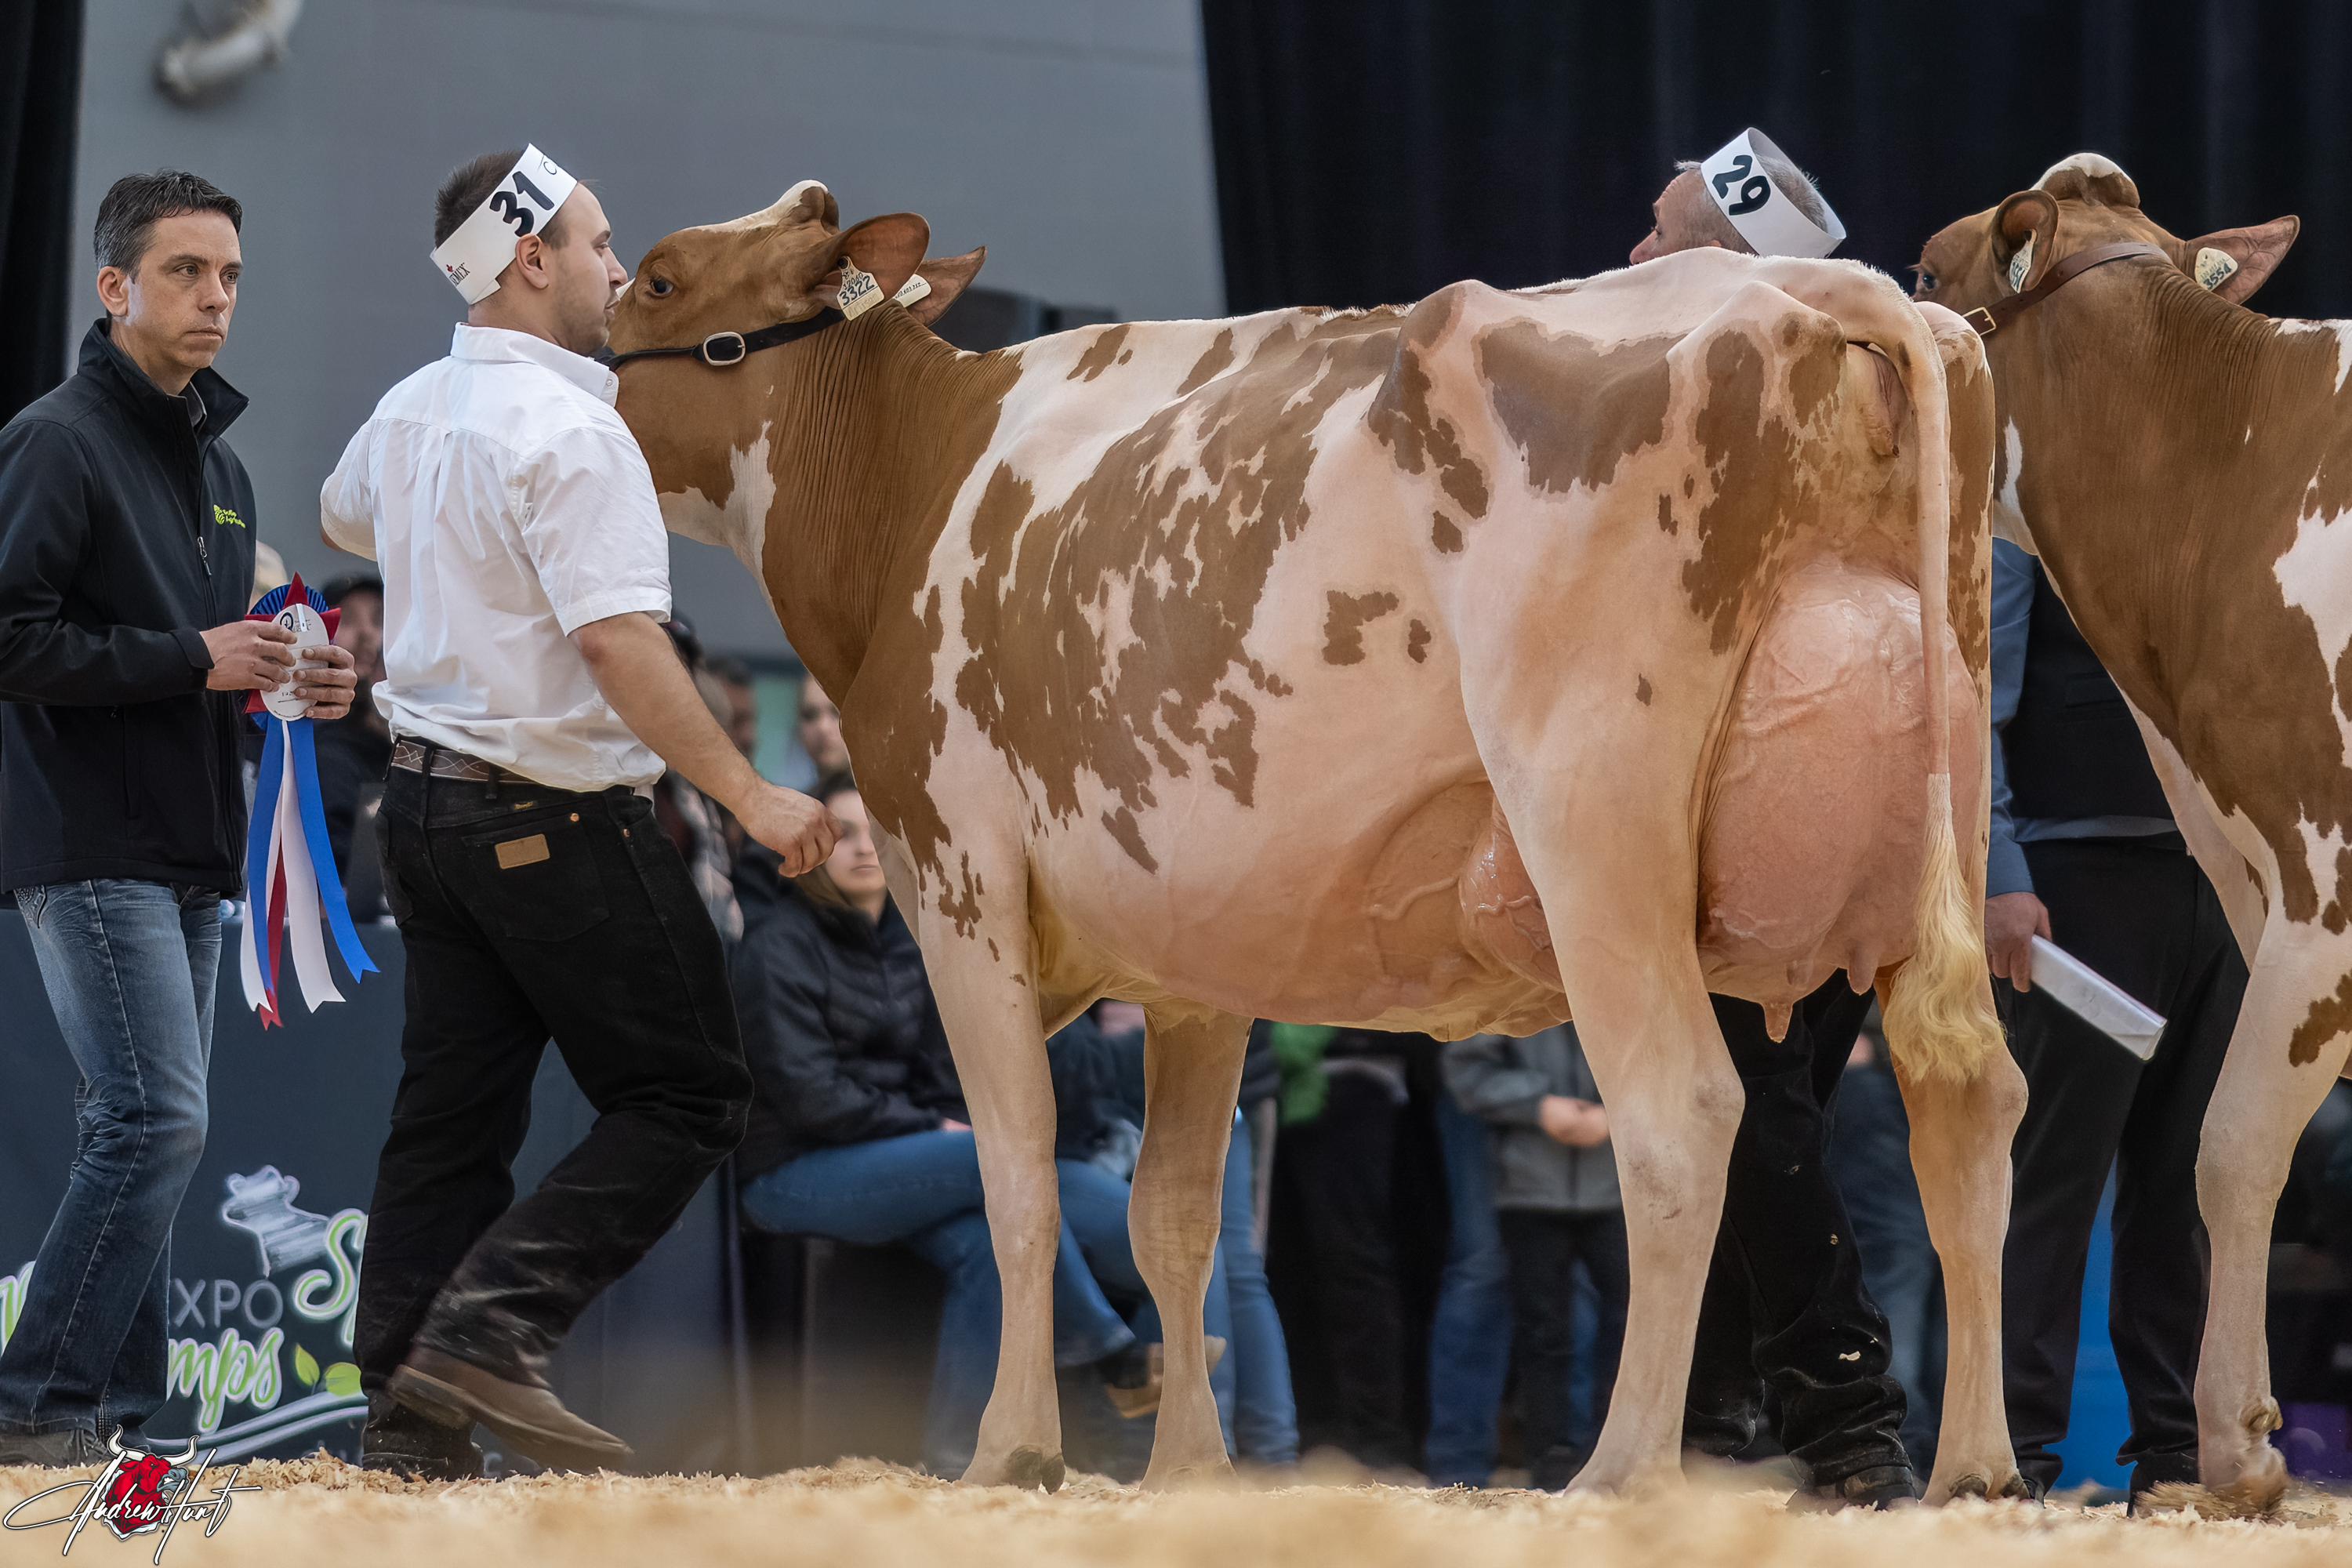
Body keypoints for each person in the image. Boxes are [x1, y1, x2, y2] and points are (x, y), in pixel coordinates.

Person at [323, 146, 838, 1480]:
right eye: (601, 244)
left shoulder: (412, 407)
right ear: (530, 258)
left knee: (450, 1122)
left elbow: (344, 515)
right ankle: (490, 1332)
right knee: (691, 1092)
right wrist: (749, 791)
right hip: (551, 816)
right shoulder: (575, 428)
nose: (618, 268)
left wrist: (454, 551)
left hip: (422, 816)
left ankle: (405, 1417)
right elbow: (617, 643)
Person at [0, 170, 358, 1465]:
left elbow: (212, 664)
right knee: (155, 1124)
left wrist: (292, 685)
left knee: (144, 1132)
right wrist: (192, 658)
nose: (217, 298)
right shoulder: (54, 440)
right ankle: (36, 1407)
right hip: (88, 837)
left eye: (231, 276)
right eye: (187, 272)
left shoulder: (223, 465)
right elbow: (12, 638)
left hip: (193, 846)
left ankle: (108, 1418)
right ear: (116, 287)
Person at [1628, 131, 1914, 1508]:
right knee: (1759, 1114)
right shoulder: (1878, 387)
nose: (1633, 252)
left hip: (1758, 785)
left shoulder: (1703, 399)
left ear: (1723, 266)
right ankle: (1708, 1422)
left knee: (1746, 1109)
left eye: (1660, 232)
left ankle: (1846, 1415)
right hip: (1877, 775)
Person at [730, 774, 1150, 1476]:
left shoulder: (909, 937)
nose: (865, 848)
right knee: (997, 1162)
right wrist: (934, 1128)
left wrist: (939, 1125)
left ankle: (959, 1459)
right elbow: (813, 1099)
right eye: (841, 835)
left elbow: (935, 1066)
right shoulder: (777, 947)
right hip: (792, 1172)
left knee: (1002, 1238)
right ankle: (1111, 1353)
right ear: (804, 852)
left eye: (877, 834)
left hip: (900, 1158)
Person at [1984, 535, 2245, 1504]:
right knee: (2051, 1184)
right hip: (2076, 881)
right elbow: (1978, 705)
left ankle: (2173, 1455)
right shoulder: (2028, 526)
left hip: (2217, 882)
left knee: (2186, 1185)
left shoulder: (2223, 518)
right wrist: (1999, 866)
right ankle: (2012, 1452)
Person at [1051, 1002, 1297, 1473]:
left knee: (1198, 1255)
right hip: (1206, 1071)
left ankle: (1219, 1448)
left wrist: (1130, 1032)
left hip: (1184, 1075)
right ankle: (1262, 1453)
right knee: (1225, 1265)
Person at [1445, 1026, 1629, 1491]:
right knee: (1542, 1330)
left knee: (1630, 1325)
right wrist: (1538, 1105)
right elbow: (1466, 1067)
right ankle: (1549, 1460)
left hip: (1620, 1189)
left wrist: (1619, 1112)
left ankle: (1615, 1452)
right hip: (1529, 1185)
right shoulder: (1511, 995)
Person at [313, 572, 391, 882]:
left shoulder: (407, 747)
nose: (367, 634)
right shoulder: (317, 748)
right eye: (346, 620)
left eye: (380, 619)